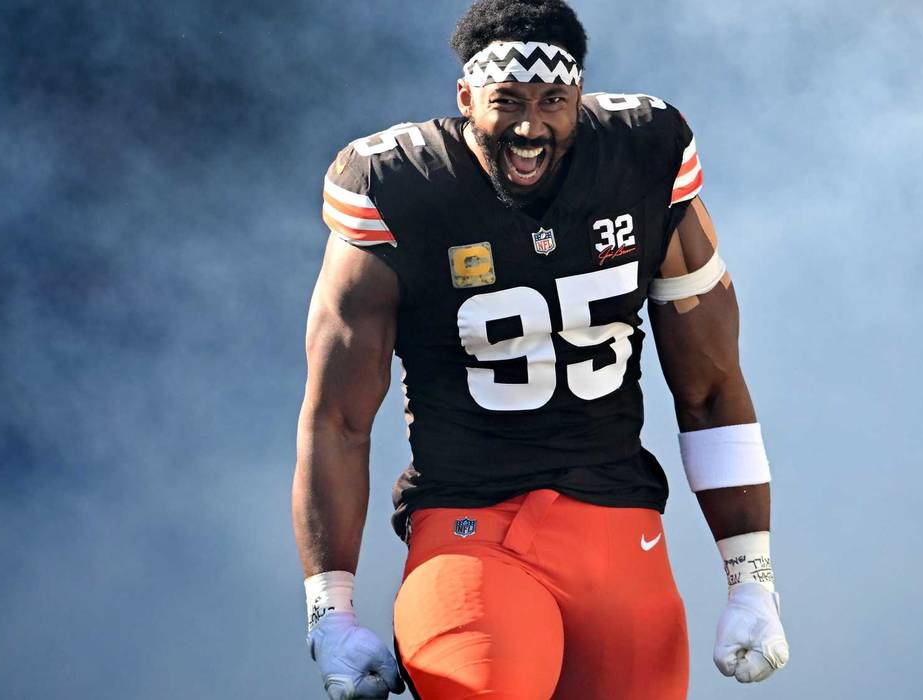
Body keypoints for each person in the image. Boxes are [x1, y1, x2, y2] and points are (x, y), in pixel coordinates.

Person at [291, 1, 789, 697]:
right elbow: (338, 419)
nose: (529, 127)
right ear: (465, 97)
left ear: (578, 95)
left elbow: (709, 390)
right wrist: (329, 610)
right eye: (507, 102)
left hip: (619, 531)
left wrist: (752, 581)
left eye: (551, 100)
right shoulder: (399, 186)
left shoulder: (645, 155)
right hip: (468, 525)